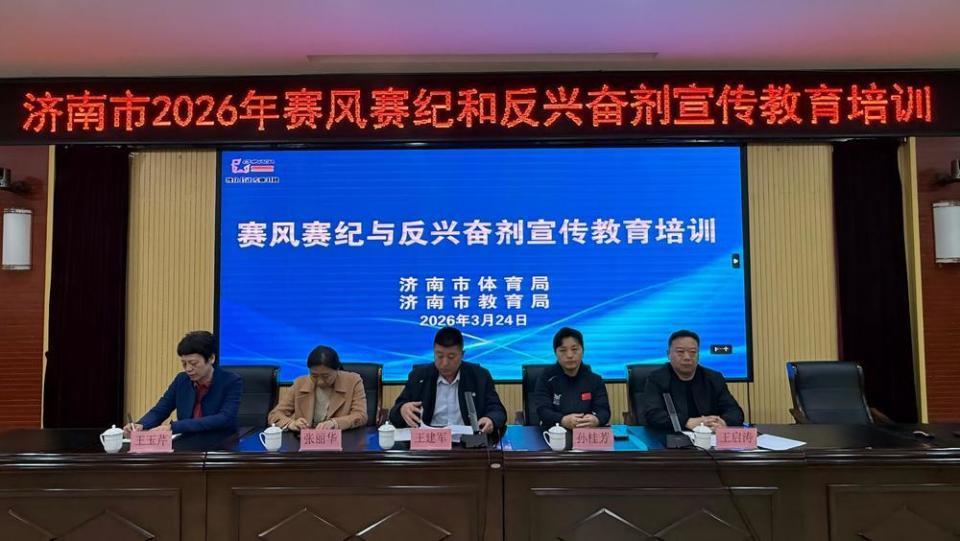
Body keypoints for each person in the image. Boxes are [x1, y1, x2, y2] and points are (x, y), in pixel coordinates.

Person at [389, 326, 506, 434]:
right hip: (428, 441)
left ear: (462, 355)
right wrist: (402, 410)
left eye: (451, 357)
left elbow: (497, 410)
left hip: (468, 441)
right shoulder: (419, 376)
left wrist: (490, 419)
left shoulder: (480, 376)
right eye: (439, 356)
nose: (445, 363)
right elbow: (394, 413)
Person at [124, 330, 243, 435]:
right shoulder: (181, 380)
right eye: (184, 364)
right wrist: (141, 424)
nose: (188, 369)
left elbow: (224, 418)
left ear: (211, 358)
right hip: (185, 442)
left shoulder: (231, 381)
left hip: (221, 443)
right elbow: (160, 410)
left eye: (193, 363)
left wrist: (174, 427)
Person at [640, 329, 744, 430]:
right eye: (680, 352)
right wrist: (687, 422)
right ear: (669, 354)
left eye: (693, 352)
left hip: (709, 436)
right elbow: (653, 415)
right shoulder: (657, 379)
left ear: (698, 355)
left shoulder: (714, 378)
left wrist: (722, 422)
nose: (687, 357)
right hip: (670, 437)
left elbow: (735, 411)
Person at [268, 345, 368, 431]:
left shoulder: (353, 381)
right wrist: (291, 423)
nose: (320, 381)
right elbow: (275, 415)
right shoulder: (300, 383)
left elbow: (361, 415)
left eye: (325, 376)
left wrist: (335, 423)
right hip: (306, 441)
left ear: (337, 369)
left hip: (342, 440)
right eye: (314, 376)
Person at [532, 327, 611, 430]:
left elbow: (604, 411)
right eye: (563, 350)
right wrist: (562, 420)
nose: (569, 355)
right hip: (554, 434)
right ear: (555, 353)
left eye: (574, 349)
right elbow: (542, 410)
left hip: (586, 433)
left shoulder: (595, 380)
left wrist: (596, 419)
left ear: (583, 351)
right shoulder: (546, 378)